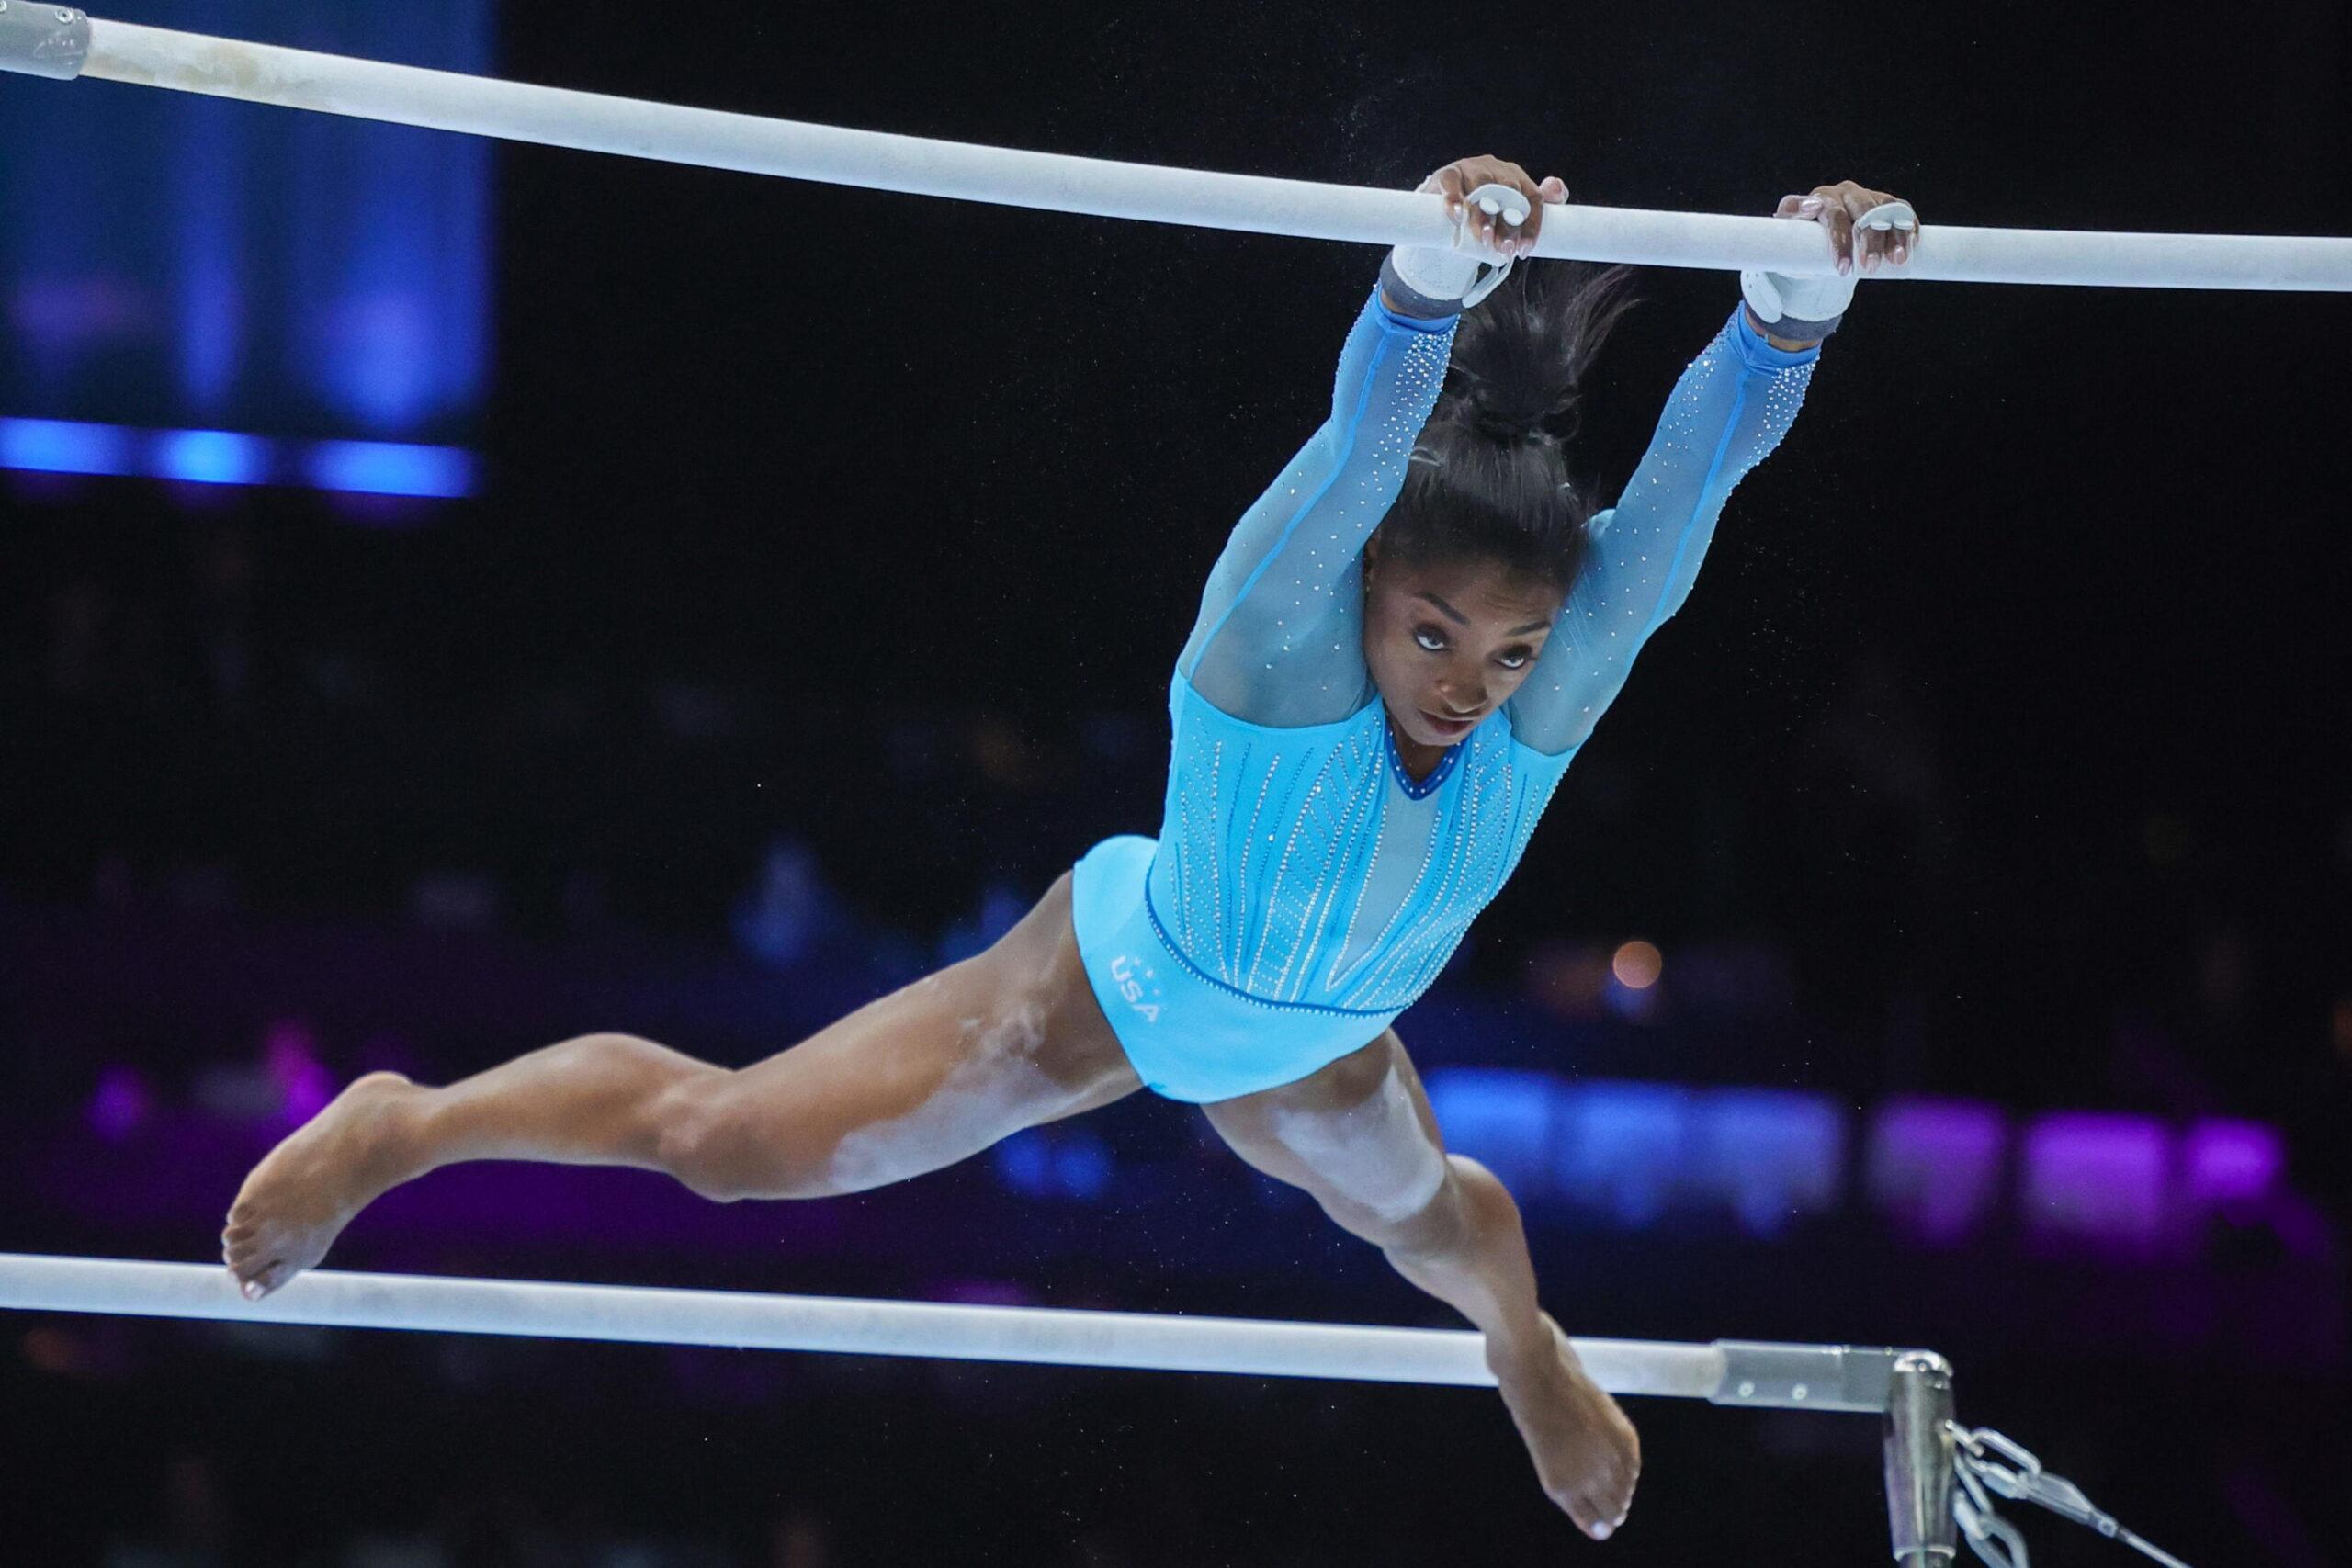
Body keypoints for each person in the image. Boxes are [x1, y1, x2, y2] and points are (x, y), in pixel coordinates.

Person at [222, 154, 1917, 1542]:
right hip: (1119, 981)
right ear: (1364, 590)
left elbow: (1679, 512)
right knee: (727, 1144)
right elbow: (1355, 454)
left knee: (1450, 1239)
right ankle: (404, 1130)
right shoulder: (1278, 642)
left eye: (1509, 654)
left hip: (1320, 1038)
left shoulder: (1545, 692)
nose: (1470, 687)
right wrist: (1419, 287)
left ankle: (1525, 1352)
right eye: (1430, 634)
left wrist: (1791, 311)